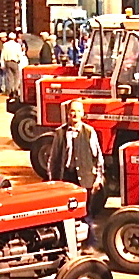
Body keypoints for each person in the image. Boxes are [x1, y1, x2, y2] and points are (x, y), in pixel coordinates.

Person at [47, 100, 104, 247]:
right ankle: (66, 244)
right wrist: (52, 181)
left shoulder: (89, 132)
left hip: (85, 179)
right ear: (68, 113)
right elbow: (53, 159)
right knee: (65, 212)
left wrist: (98, 178)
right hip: (66, 178)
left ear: (83, 114)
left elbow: (98, 157)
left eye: (78, 111)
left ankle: (89, 244)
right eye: (72, 111)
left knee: (86, 212)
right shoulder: (60, 133)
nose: (75, 114)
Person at [1, 32, 25, 101]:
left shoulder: (5, 45)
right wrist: (20, 61)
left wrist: (2, 63)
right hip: (15, 62)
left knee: (9, 77)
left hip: (7, 62)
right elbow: (19, 54)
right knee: (16, 77)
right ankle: (15, 90)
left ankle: (10, 91)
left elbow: (3, 54)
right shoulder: (17, 45)